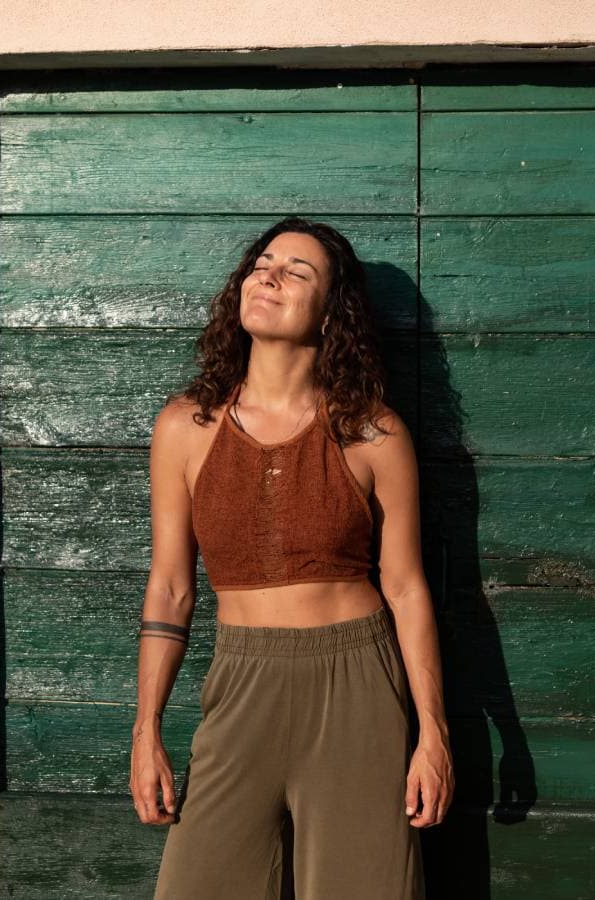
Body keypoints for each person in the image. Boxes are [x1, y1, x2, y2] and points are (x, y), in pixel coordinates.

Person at [131, 217, 453, 898]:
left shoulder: (372, 433)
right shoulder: (186, 427)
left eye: (296, 271)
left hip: (357, 687)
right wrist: (147, 728)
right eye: (262, 263)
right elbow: (170, 589)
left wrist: (434, 733)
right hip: (240, 683)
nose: (269, 276)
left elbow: (406, 588)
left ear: (333, 312)